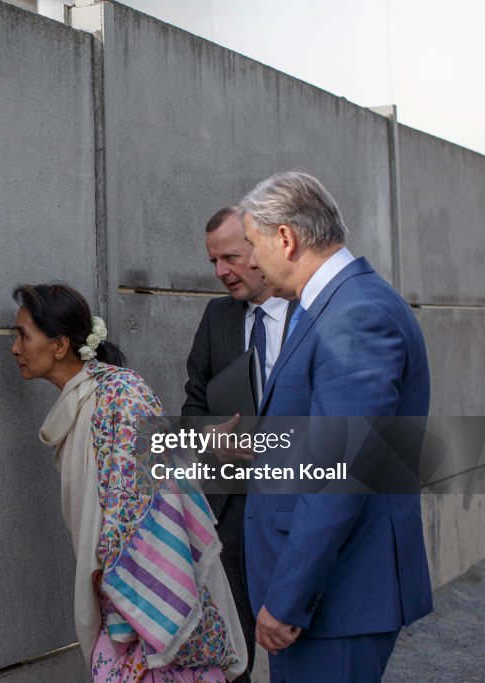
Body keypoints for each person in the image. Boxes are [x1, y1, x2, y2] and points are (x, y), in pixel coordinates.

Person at [239, 172, 433, 682]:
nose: (250, 262)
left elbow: (337, 475)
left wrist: (287, 600)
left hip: (333, 599)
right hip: (328, 597)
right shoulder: (334, 307)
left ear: (286, 238)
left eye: (252, 246)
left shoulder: (355, 315)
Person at [11, 283, 247, 682]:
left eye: (23, 335)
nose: (15, 348)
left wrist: (113, 579)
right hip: (115, 593)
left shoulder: (120, 392)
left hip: (140, 595)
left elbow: (145, 491)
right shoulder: (82, 400)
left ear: (59, 345)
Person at [182, 206, 296, 683]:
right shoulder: (216, 316)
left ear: (262, 247)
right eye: (212, 261)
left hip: (297, 505)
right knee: (232, 653)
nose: (219, 272)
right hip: (228, 514)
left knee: (296, 639)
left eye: (229, 257)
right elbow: (192, 404)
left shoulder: (310, 313)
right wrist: (209, 440)